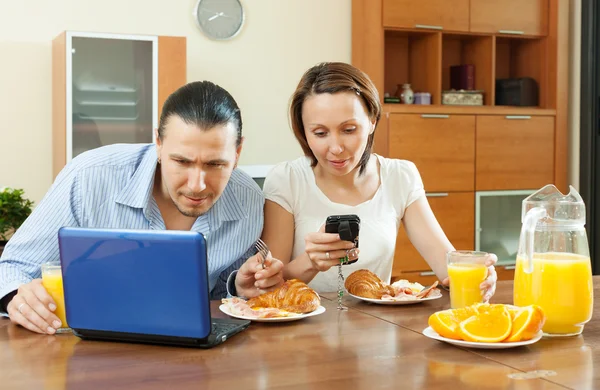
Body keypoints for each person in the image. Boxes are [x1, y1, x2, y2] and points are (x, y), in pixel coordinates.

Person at [0, 81, 284, 334]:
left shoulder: (248, 198)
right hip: (86, 352)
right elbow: (11, 267)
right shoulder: (88, 176)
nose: (197, 185)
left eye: (215, 164)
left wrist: (238, 287)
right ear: (158, 143)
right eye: (182, 162)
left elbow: (219, 292)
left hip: (191, 358)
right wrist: (17, 296)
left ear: (237, 153)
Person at [261, 62, 497, 297]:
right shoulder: (287, 180)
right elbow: (267, 286)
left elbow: (447, 268)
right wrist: (310, 262)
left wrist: (478, 276)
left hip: (377, 326)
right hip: (300, 329)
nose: (336, 148)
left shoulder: (400, 177)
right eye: (320, 133)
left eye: (349, 129)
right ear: (304, 131)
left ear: (372, 120)